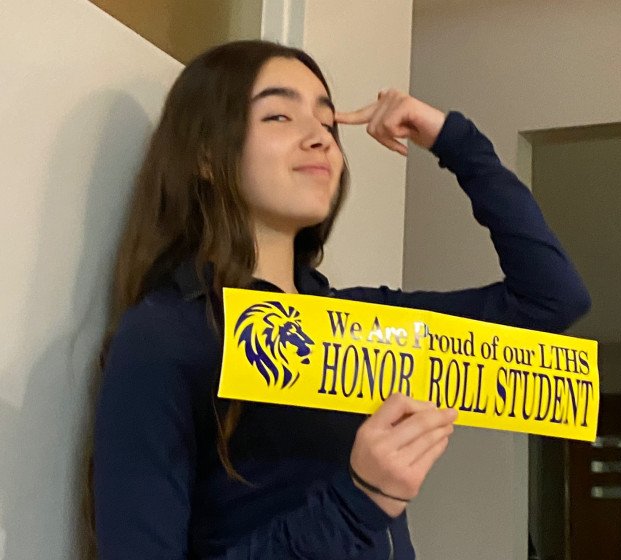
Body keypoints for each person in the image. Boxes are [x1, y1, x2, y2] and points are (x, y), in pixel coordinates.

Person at [90, 40, 590, 560]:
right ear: (206, 157)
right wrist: (359, 502)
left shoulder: (359, 326)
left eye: (328, 123)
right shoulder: (167, 336)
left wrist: (454, 141)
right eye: (280, 116)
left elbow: (551, 299)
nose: (320, 139)